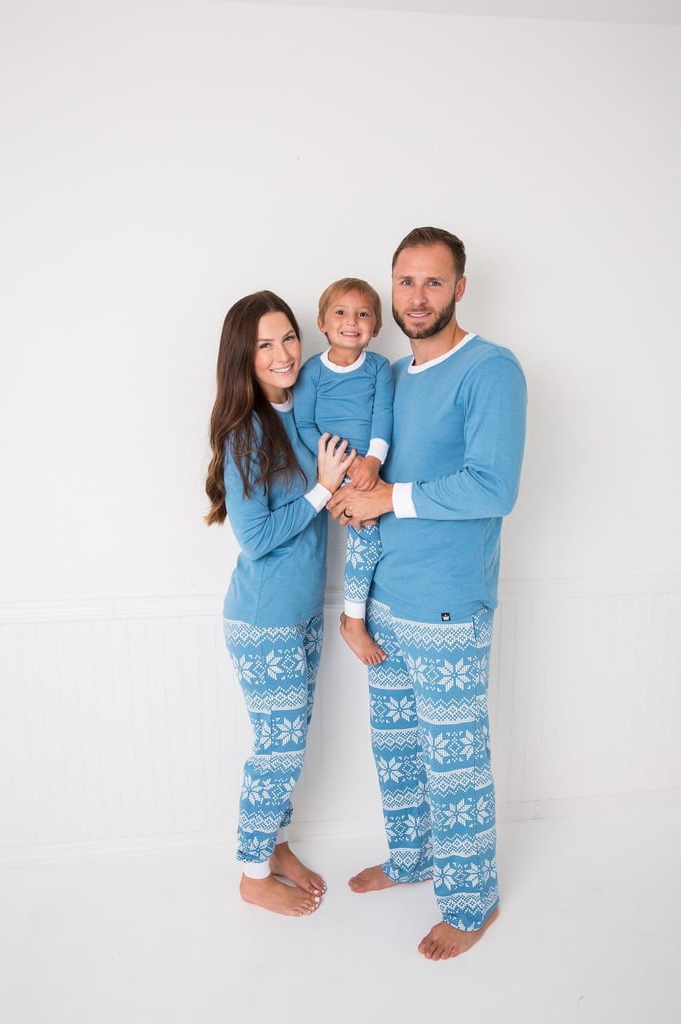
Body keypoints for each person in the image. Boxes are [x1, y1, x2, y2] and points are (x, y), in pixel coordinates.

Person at [328, 227, 527, 959]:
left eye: (433, 282)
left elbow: (492, 486)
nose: (417, 297)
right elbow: (362, 489)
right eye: (405, 282)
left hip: (447, 606)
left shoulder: (490, 370)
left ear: (459, 288)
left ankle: (472, 902)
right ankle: (411, 858)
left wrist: (388, 499)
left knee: (455, 763)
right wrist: (354, 611)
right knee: (397, 753)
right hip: (384, 606)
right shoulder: (390, 379)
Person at [205, 290, 355, 917]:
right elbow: (257, 536)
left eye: (289, 337)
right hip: (264, 620)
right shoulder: (244, 432)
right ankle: (250, 871)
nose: (284, 352)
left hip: (302, 613)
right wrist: (322, 491)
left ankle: (277, 844)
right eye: (265, 343)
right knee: (279, 748)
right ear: (244, 355)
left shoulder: (298, 413)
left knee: (287, 738)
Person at [294, 277, 393, 666]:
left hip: (369, 468)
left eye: (363, 314)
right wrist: (338, 463)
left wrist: (371, 461)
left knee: (371, 541)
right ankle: (352, 620)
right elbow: (305, 426)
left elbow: (383, 417)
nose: (351, 321)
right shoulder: (312, 372)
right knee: (362, 533)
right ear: (322, 322)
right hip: (331, 468)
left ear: (377, 327)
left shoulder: (379, 368)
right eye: (340, 312)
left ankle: (357, 615)